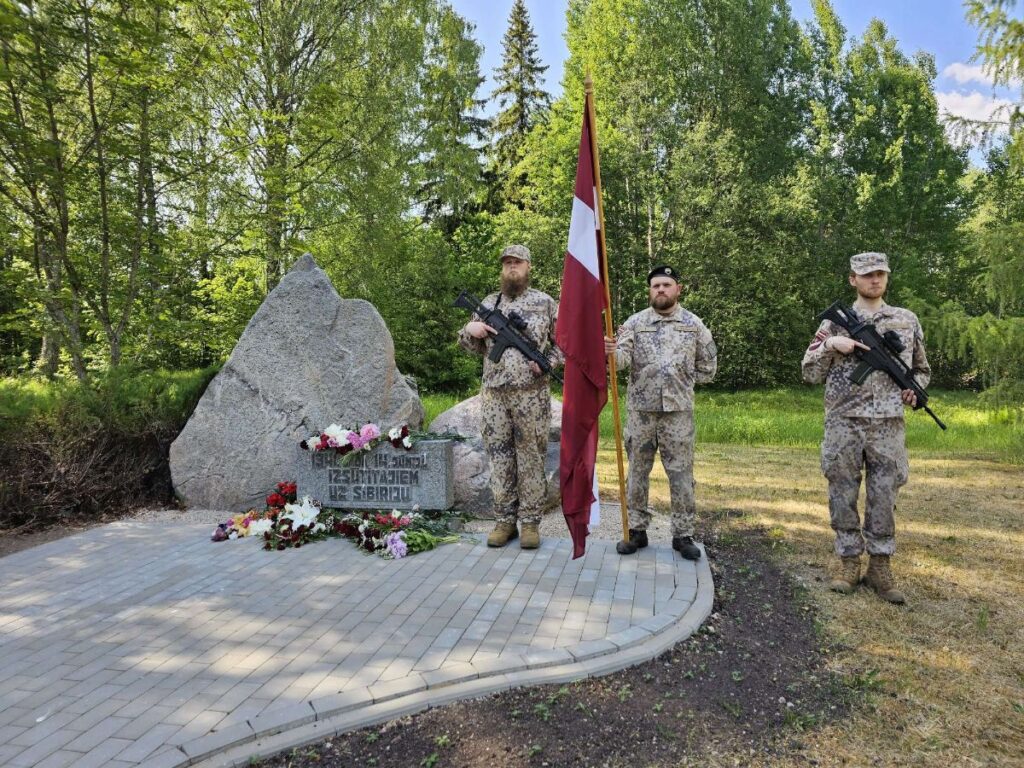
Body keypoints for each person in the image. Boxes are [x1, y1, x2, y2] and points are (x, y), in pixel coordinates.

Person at [801, 252, 931, 605]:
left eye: (880, 274)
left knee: (885, 494)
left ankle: (880, 565)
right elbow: (809, 373)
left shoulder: (905, 320)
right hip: (843, 421)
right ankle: (848, 562)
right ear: (852, 280)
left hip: (888, 424)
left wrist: (915, 392)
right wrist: (830, 344)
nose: (874, 280)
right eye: (867, 275)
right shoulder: (835, 324)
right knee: (841, 490)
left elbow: (921, 370)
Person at [604, 265, 717, 560]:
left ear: (678, 289)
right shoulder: (635, 323)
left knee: (681, 475)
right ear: (650, 291)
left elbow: (709, 367)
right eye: (656, 286)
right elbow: (621, 362)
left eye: (667, 285)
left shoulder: (693, 324)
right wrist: (609, 352)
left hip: (677, 414)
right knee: (637, 472)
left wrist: (682, 380)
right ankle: (636, 530)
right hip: (641, 413)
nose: (661, 290)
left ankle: (683, 535)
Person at [458, 244, 563, 549]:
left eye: (517, 263)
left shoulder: (545, 303)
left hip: (532, 396)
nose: (511, 268)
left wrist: (549, 363)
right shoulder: (490, 302)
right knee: (500, 457)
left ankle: (530, 523)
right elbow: (471, 346)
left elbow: (564, 344)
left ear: (528, 266)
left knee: (530, 458)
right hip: (494, 397)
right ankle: (505, 521)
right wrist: (470, 328)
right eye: (507, 263)